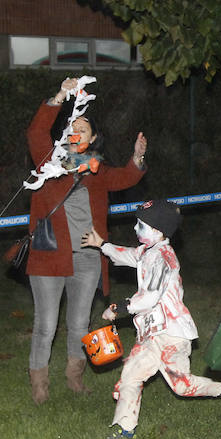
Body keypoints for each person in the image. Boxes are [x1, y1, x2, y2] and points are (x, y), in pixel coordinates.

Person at [82, 200, 221, 439]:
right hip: (150, 333)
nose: (135, 229)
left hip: (171, 334)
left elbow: (151, 296)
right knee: (131, 376)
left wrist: (121, 307)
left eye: (140, 225)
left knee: (182, 386)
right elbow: (129, 255)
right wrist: (102, 244)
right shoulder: (147, 251)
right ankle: (124, 429)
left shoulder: (165, 258)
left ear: (157, 230)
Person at [25, 77, 147, 404]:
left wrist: (136, 159)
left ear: (93, 138)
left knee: (79, 322)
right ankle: (39, 385)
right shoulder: (48, 161)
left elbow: (125, 177)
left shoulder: (98, 170)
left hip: (88, 257)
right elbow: (36, 131)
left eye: (84, 127)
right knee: (46, 324)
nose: (77, 130)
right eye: (72, 125)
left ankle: (74, 378)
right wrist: (62, 95)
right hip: (49, 255)